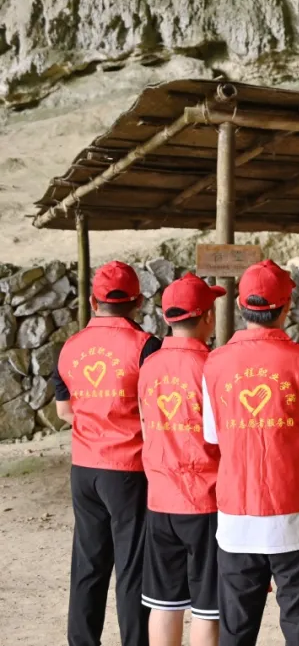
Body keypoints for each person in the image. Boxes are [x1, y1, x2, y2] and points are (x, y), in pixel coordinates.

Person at [201, 260, 299, 646]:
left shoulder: (214, 362)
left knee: (236, 631)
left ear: (240, 305)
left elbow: (213, 435)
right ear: (286, 306)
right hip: (298, 517)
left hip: (237, 518)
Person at [55, 260, 162, 646]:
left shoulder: (70, 347)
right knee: (132, 566)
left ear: (93, 301)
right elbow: (155, 411)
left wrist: (96, 425)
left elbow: (64, 410)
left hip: (84, 468)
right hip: (129, 469)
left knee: (88, 562)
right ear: (138, 301)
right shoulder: (147, 346)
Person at [138, 274, 225, 646]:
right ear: (208, 316)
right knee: (208, 608)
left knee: (164, 604)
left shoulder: (149, 365)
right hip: (206, 498)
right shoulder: (213, 365)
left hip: (160, 497)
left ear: (166, 316)